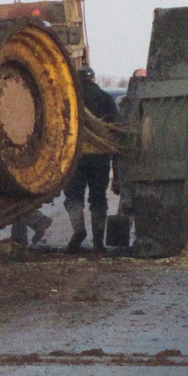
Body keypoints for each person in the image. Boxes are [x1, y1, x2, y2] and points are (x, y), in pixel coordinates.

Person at [64, 65, 119, 253]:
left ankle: (78, 230)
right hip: (100, 157)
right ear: (94, 79)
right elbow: (114, 127)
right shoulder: (105, 97)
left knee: (73, 195)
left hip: (75, 156)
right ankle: (98, 240)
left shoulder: (70, 98)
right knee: (98, 197)